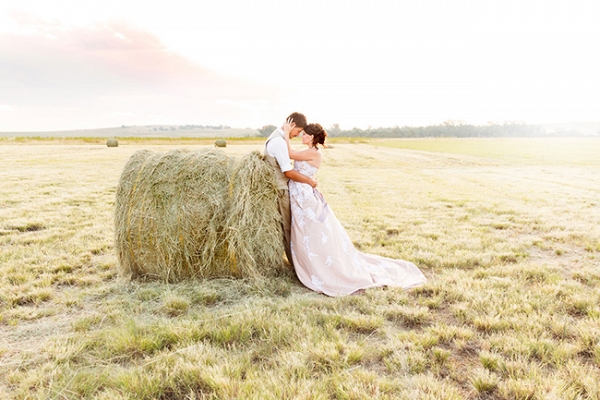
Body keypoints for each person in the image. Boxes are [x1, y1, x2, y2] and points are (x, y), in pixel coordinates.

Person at [283, 121, 427, 296]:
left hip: (305, 195)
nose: (301, 136)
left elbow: (289, 153)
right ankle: (310, 263)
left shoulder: (312, 152)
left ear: (312, 137)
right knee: (305, 231)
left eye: (304, 133)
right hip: (301, 193)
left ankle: (320, 267)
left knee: (310, 231)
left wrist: (285, 132)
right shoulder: (310, 151)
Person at [264, 112, 317, 268]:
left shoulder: (275, 137)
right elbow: (288, 171)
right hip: (281, 189)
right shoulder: (278, 142)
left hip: (280, 187)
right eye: (298, 131)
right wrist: (310, 181)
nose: (298, 134)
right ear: (292, 125)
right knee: (288, 228)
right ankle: (297, 267)